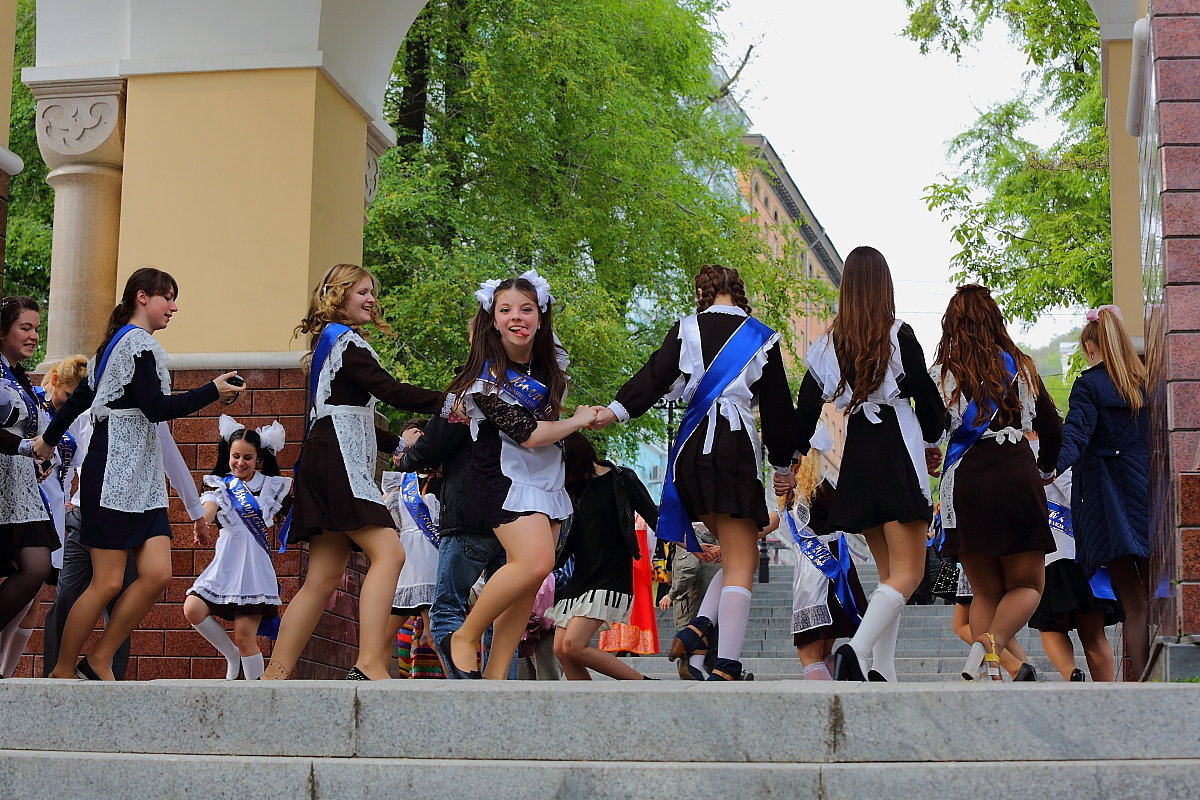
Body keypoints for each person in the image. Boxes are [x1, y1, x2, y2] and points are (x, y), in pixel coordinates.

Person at [36, 268, 243, 680]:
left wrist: (48, 439)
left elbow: (81, 398)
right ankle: (61, 671)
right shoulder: (138, 345)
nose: (174, 306)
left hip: (142, 477)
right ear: (142, 297)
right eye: (167, 297)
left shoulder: (114, 346)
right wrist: (212, 391)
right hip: (111, 470)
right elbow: (156, 408)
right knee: (107, 583)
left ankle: (98, 659)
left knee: (157, 574)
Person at [593, 263, 796, 682]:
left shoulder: (686, 329)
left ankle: (698, 633)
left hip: (690, 450)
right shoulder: (761, 337)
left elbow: (652, 378)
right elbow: (778, 411)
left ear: (702, 293)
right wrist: (781, 467)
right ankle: (727, 662)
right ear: (738, 292)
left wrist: (613, 411)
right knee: (743, 562)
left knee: (733, 552)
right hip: (735, 449)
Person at [264, 263, 443, 681]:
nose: (371, 299)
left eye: (372, 292)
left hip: (325, 456)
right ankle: (368, 663)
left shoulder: (331, 344)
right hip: (338, 462)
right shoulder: (346, 343)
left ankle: (276, 672)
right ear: (339, 294)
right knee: (391, 552)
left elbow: (350, 414)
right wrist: (455, 398)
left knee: (322, 577)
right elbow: (391, 392)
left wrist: (399, 445)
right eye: (362, 291)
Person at [786, 246, 947, 682]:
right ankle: (856, 651)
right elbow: (930, 403)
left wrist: (787, 460)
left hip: (858, 454)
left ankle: (884, 669)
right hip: (896, 446)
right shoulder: (898, 334)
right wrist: (934, 441)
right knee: (910, 573)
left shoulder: (826, 346)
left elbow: (802, 414)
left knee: (889, 573)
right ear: (884, 287)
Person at [442, 271, 596, 679]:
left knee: (528, 585)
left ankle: (496, 678)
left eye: (526, 309)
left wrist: (579, 420)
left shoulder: (548, 367)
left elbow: (547, 424)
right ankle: (465, 634)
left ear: (541, 317)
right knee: (535, 562)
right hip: (503, 479)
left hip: (547, 477)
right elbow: (528, 434)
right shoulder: (483, 379)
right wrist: (577, 421)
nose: (516, 317)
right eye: (505, 309)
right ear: (492, 319)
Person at [930, 285, 1061, 682]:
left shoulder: (941, 374)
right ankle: (990, 645)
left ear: (951, 325)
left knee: (984, 591)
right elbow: (1050, 428)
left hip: (966, 482)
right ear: (995, 320)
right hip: (1014, 475)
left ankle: (989, 675)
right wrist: (1045, 471)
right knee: (1028, 584)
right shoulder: (1019, 365)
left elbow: (932, 432)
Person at [1053, 305, 1150, 679]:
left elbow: (1075, 435)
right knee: (1155, 596)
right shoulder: (1145, 382)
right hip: (1149, 496)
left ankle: (1141, 682)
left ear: (1091, 348)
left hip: (1111, 502)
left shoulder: (1089, 385)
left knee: (1133, 600)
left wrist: (1049, 469)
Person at [395, 413, 510, 679]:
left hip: (467, 517)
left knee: (447, 611)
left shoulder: (461, 399)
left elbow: (433, 445)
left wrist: (405, 454)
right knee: (502, 617)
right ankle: (501, 684)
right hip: (515, 518)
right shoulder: (521, 396)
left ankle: (466, 689)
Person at [183, 415, 290, 681]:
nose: (240, 463)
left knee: (245, 637)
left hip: (253, 568)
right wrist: (202, 523)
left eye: (247, 458)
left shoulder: (270, 486)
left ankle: (255, 693)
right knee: (193, 608)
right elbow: (209, 507)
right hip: (226, 562)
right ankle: (230, 655)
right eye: (235, 456)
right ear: (228, 455)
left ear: (258, 459)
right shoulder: (219, 484)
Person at [0, 355, 86, 678]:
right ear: (52, 381)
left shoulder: (72, 418)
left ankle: (8, 672)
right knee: (22, 578)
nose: (68, 402)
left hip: (54, 509)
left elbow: (75, 464)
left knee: (33, 593)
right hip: (25, 498)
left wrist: (70, 498)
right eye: (66, 394)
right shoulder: (32, 404)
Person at [549, 433, 659, 680]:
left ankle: (644, 685)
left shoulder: (621, 479)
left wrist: (692, 544)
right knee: (560, 649)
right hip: (581, 576)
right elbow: (565, 539)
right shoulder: (569, 489)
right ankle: (586, 708)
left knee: (573, 646)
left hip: (611, 572)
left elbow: (655, 518)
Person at [0, 297, 60, 677]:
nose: (34, 336)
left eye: (37, 328)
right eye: (26, 327)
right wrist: (27, 447)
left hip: (19, 483)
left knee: (36, 565)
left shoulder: (18, 374)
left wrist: (42, 456)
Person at [784, 428, 868, 681]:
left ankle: (824, 711)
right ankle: (838, 695)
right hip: (829, 567)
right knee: (820, 651)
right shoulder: (807, 490)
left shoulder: (815, 490)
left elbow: (853, 519)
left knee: (808, 652)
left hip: (821, 572)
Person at [1029, 462, 1120, 682]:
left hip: (1052, 553)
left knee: (1051, 627)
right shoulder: (1070, 446)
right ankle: (1108, 694)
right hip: (1087, 552)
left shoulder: (1021, 452)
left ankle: (1071, 673)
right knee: (1093, 633)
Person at [382, 423, 441, 658]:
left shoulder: (442, 476)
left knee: (435, 633)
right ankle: (374, 682)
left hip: (432, 560)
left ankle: (460, 690)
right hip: (405, 562)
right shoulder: (401, 483)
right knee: (381, 635)